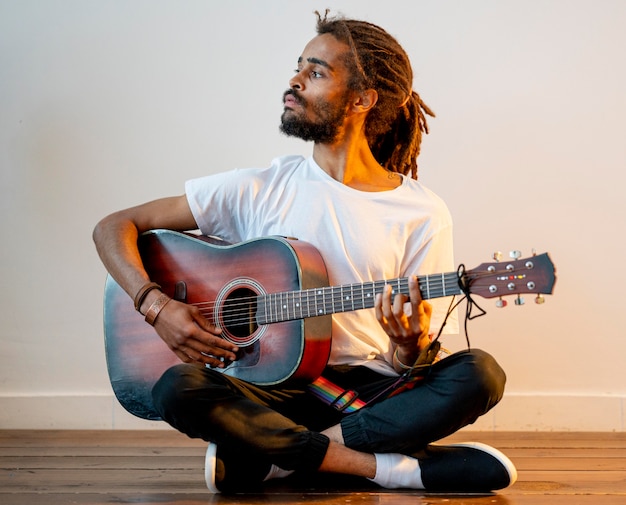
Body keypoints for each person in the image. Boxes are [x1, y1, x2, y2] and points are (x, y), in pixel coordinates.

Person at [93, 12, 517, 493]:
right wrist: (156, 305)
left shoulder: (420, 212)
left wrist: (406, 345)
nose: (293, 81)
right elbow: (113, 227)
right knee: (176, 387)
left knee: (479, 374)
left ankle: (274, 458)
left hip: (367, 392)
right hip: (270, 391)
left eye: (315, 72)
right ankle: (386, 469)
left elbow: (412, 364)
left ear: (362, 99)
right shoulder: (256, 188)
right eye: (299, 67)